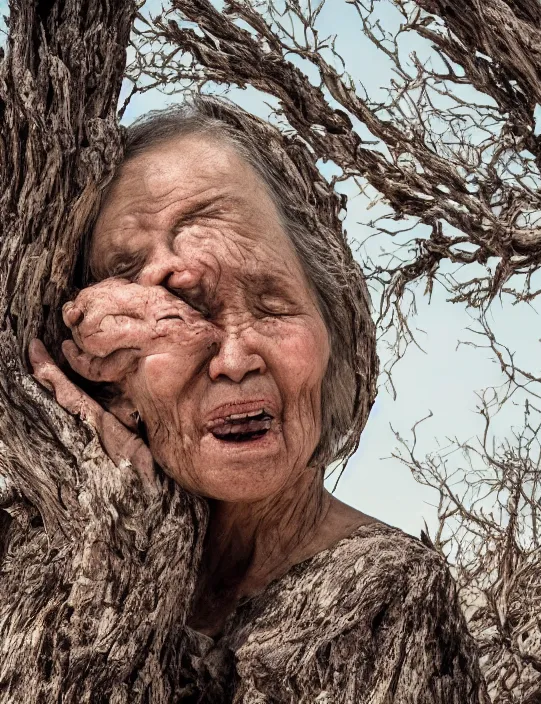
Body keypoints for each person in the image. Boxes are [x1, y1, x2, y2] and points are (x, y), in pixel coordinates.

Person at [26, 96, 486, 702]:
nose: (237, 359)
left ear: (332, 328)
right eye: (181, 312)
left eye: (272, 306)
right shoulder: (36, 567)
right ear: (104, 368)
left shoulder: (383, 597)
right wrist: (124, 523)